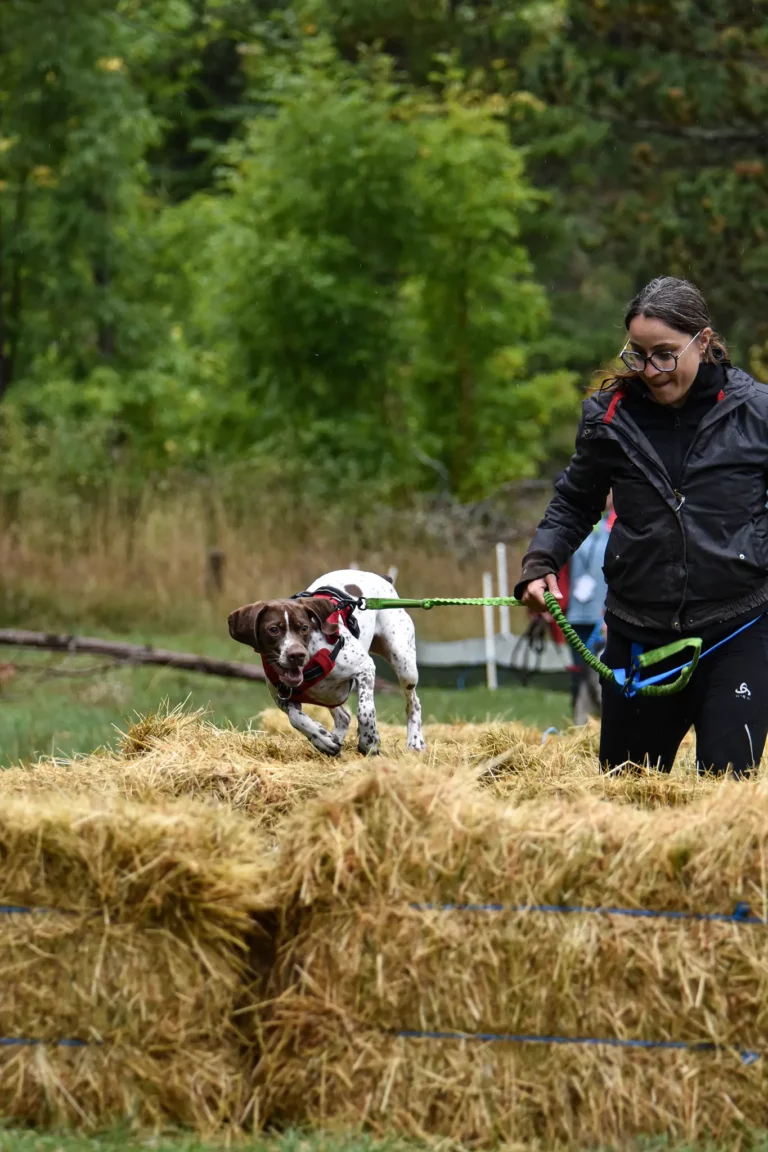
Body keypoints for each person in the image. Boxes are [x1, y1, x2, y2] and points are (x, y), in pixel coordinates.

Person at [514, 276, 768, 777]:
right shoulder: (608, 417)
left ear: (704, 340)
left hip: (737, 631)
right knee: (628, 788)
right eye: (638, 354)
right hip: (639, 637)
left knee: (726, 791)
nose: (651, 370)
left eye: (666, 354)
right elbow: (574, 500)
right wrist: (540, 562)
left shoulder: (758, 412)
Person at [568, 492, 614, 723]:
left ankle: (609, 728)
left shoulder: (621, 522)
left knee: (605, 677)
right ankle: (580, 731)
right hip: (578, 614)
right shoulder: (576, 521)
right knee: (580, 677)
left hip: (606, 616)